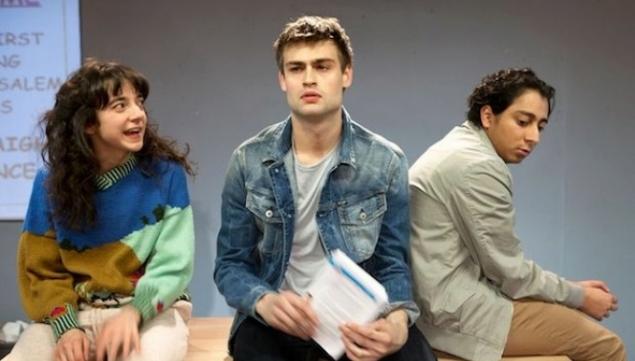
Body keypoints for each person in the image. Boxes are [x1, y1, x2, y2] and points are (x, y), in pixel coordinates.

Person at [214, 15, 435, 361]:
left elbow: (394, 263)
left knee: (413, 354)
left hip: (356, 321)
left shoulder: (386, 161)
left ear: (346, 74)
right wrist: (265, 301)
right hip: (278, 321)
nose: (309, 79)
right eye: (296, 68)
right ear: (282, 79)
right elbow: (230, 264)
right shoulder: (248, 160)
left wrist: (397, 319)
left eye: (322, 66)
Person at [408, 67, 626, 361]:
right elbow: (510, 274)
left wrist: (570, 290)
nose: (533, 137)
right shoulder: (477, 166)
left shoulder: (459, 146)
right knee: (607, 349)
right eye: (523, 122)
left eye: (540, 126)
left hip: (439, 304)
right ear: (487, 116)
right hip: (453, 315)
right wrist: (580, 297)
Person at [4, 59, 195, 361]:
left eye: (139, 102)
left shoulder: (166, 175)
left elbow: (173, 265)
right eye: (120, 106)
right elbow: (42, 271)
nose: (138, 115)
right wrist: (66, 328)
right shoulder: (48, 183)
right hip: (74, 315)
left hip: (148, 312)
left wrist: (134, 313)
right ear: (89, 123)